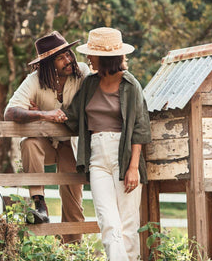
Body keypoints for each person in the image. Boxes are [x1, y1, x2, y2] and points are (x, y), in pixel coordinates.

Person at [52, 27, 151, 260]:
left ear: (106, 57)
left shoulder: (130, 84)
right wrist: (44, 111)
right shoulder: (89, 83)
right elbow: (73, 116)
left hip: (124, 156)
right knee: (107, 220)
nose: (88, 58)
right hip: (96, 156)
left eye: (92, 54)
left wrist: (134, 167)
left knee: (127, 221)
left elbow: (140, 127)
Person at [4, 31, 90, 244]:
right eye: (61, 58)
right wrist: (43, 114)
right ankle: (39, 203)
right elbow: (10, 112)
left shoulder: (83, 73)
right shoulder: (34, 81)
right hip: (46, 144)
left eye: (68, 54)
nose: (69, 60)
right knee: (29, 143)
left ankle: (72, 252)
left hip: (72, 144)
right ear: (48, 65)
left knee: (73, 202)